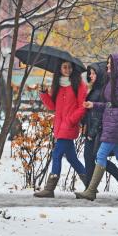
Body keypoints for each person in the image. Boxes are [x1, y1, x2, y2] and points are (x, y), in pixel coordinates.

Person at [75, 53, 118, 201]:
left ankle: (91, 190)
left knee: (101, 155)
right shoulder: (112, 82)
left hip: (116, 124)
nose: (108, 65)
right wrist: (93, 105)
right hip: (111, 122)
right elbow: (110, 104)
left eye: (110, 63)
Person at [33, 61, 88, 198]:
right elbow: (52, 106)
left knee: (56, 154)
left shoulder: (79, 85)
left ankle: (49, 189)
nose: (67, 69)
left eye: (70, 67)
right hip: (59, 126)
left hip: (69, 126)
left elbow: (83, 107)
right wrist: (44, 93)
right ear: (60, 68)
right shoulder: (57, 84)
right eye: (64, 67)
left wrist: (70, 120)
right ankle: (90, 185)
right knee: (72, 159)